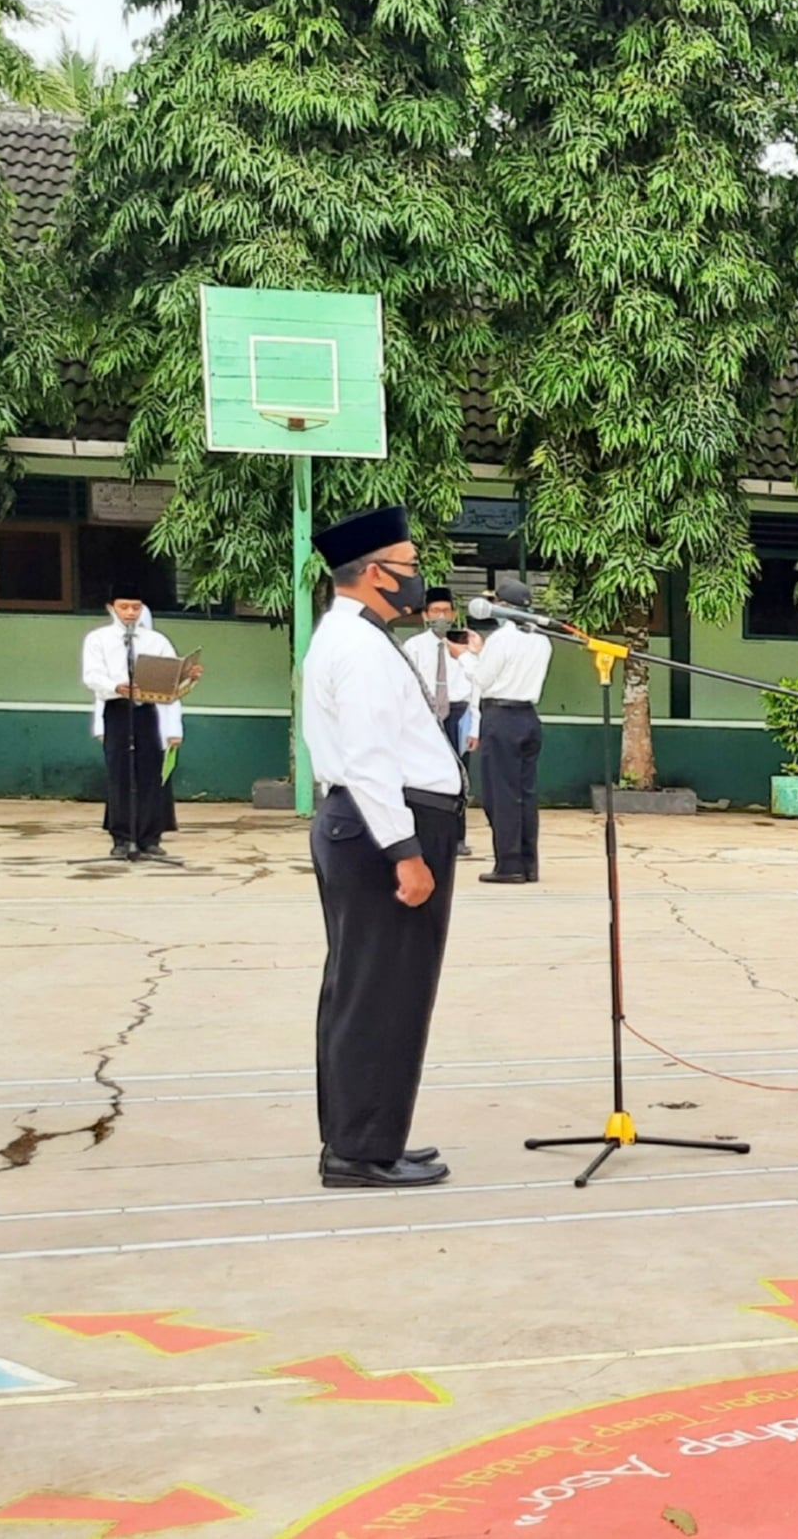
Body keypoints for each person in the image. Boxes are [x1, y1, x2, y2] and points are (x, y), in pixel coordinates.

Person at [305, 508, 467, 1190]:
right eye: (407, 563)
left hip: (368, 823)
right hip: (382, 830)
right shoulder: (361, 647)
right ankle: (362, 1150)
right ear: (375, 573)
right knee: (381, 995)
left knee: (366, 989)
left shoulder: (352, 635)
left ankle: (361, 1136)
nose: (416, 576)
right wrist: (405, 850)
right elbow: (369, 759)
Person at [80, 585, 189, 864]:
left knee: (150, 773)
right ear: (111, 607)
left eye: (136, 607)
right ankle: (121, 837)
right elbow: (91, 676)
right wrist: (116, 686)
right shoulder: (99, 639)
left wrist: (188, 675)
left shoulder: (156, 641)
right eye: (124, 607)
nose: (130, 613)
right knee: (120, 773)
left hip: (148, 709)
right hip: (116, 708)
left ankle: (150, 838)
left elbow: (171, 683)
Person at [473, 579, 555, 885]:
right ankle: (528, 863)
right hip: (528, 717)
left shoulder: (501, 639)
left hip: (501, 716)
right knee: (525, 794)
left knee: (501, 795)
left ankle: (508, 865)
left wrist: (469, 655)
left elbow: (482, 679)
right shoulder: (541, 640)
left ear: (503, 606)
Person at [402, 586, 481, 863]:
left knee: (458, 779)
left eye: (446, 611)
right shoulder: (413, 647)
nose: (441, 616)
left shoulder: (465, 646)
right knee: (422, 776)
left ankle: (457, 838)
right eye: (435, 611)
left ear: (454, 614)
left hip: (459, 714)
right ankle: (420, 835)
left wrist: (475, 727)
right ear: (425, 615)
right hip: (425, 715)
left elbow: (476, 688)